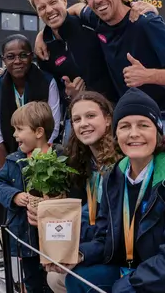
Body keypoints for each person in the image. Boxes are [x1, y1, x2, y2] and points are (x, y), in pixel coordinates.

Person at [62, 88, 165, 292]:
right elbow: (105, 237)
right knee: (78, 280)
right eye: (125, 126)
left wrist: (129, 284)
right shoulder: (114, 177)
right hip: (137, 270)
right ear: (115, 133)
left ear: (158, 132)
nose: (134, 134)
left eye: (143, 125)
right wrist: (79, 254)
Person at [37, 0, 165, 136]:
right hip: (130, 114)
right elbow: (72, 10)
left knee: (146, 160)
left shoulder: (145, 22)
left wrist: (148, 75)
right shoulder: (97, 17)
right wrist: (43, 34)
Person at [27, 0, 158, 142]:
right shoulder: (44, 50)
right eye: (41, 8)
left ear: (65, 1)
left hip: (113, 110)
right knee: (73, 161)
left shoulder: (89, 23)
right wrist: (70, 95)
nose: (49, 10)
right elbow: (55, 91)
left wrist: (148, 10)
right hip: (79, 116)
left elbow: (119, 18)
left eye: (53, 2)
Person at [40, 91, 122, 293]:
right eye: (77, 119)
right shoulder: (86, 163)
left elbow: (112, 226)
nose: (83, 123)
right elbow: (86, 214)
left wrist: (80, 253)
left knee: (69, 279)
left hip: (122, 253)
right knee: (54, 276)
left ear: (108, 119)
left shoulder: (120, 163)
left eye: (91, 116)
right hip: (102, 242)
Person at [0, 34, 61, 225]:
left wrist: (38, 162)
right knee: (12, 207)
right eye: (10, 57)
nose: (17, 61)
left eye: (23, 55)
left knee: (40, 209)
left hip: (42, 156)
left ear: (31, 56)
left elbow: (52, 126)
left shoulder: (47, 82)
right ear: (3, 60)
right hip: (7, 155)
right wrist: (11, 167)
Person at [0, 101, 56, 293]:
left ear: (38, 132)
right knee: (32, 281)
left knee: (56, 279)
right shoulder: (14, 160)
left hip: (53, 237)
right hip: (26, 237)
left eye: (19, 129)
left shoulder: (60, 156)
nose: (14, 135)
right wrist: (14, 196)